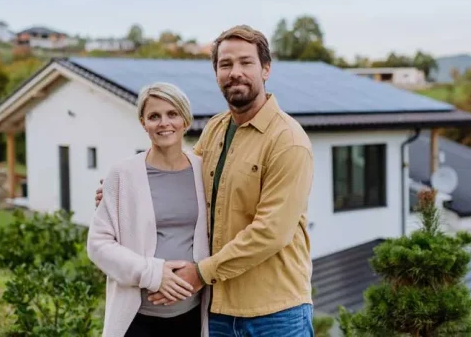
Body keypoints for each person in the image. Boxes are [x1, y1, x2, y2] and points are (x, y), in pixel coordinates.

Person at [96, 25, 315, 336]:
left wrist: (199, 274)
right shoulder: (215, 130)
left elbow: (271, 232)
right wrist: (124, 192)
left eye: (245, 62)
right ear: (216, 73)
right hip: (217, 309)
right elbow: (179, 178)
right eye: (225, 64)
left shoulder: (288, 141)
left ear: (266, 69)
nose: (235, 72)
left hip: (273, 312)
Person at [87, 82, 210, 337]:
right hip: (138, 318)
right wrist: (153, 274)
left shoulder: (204, 171)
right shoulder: (123, 174)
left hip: (192, 316)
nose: (164, 123)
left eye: (172, 114)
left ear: (185, 120)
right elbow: (98, 244)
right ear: (143, 123)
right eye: (154, 116)